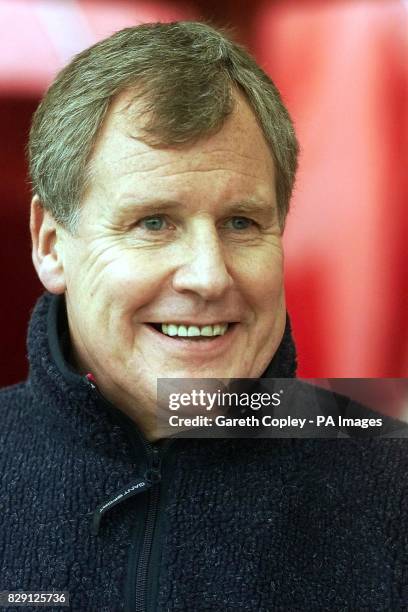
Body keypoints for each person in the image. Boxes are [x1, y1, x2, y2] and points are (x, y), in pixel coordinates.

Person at [1, 21, 407, 611]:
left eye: (241, 223)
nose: (209, 275)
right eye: (153, 223)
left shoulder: (391, 480)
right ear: (49, 243)